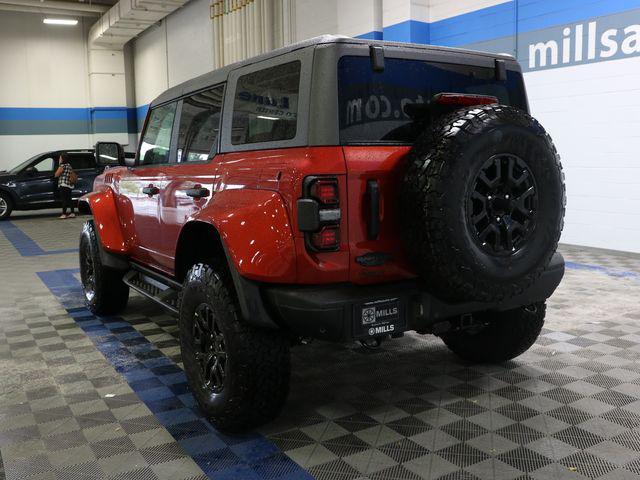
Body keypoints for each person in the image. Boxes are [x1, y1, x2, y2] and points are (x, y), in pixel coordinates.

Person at [54, 154, 75, 219]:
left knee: (64, 199)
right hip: (69, 184)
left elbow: (56, 174)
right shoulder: (69, 165)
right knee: (69, 199)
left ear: (62, 159)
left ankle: (64, 214)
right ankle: (72, 213)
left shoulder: (62, 165)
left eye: (60, 158)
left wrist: (59, 165)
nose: (59, 159)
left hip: (63, 184)